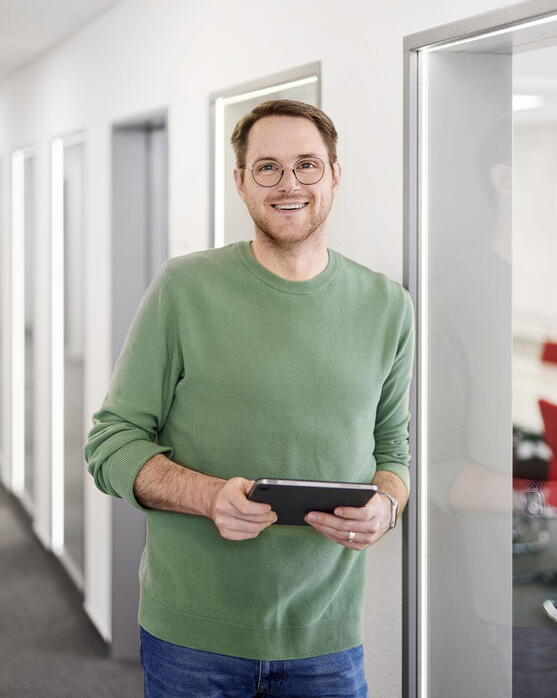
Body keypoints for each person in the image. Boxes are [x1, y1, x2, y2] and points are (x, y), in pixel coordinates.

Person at [85, 99, 414, 697]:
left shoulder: (388, 306)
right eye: (267, 167)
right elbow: (111, 443)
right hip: (193, 639)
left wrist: (387, 507)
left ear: (335, 174)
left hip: (328, 642)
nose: (289, 184)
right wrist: (210, 497)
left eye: (307, 165)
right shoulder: (184, 289)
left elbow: (393, 449)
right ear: (240, 182)